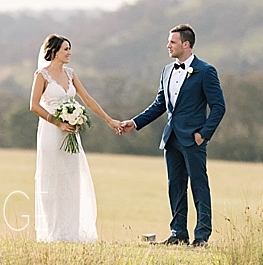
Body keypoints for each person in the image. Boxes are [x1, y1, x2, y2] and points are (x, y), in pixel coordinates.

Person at [119, 24, 225, 247]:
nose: (168, 45)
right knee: (175, 186)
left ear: (186, 44)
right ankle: (178, 234)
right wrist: (135, 122)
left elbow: (218, 107)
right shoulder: (167, 71)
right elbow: (160, 105)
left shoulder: (206, 71)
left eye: (173, 42)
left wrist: (203, 134)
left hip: (193, 139)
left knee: (199, 185)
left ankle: (202, 236)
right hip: (171, 139)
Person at [30, 34, 121, 242]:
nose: (69, 52)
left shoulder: (71, 74)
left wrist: (109, 120)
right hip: (51, 133)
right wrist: (58, 122)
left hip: (71, 134)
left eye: (69, 49)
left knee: (72, 180)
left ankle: (71, 232)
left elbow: (87, 100)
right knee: (53, 179)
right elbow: (34, 106)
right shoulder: (41, 75)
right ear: (53, 51)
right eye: (65, 49)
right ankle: (54, 232)